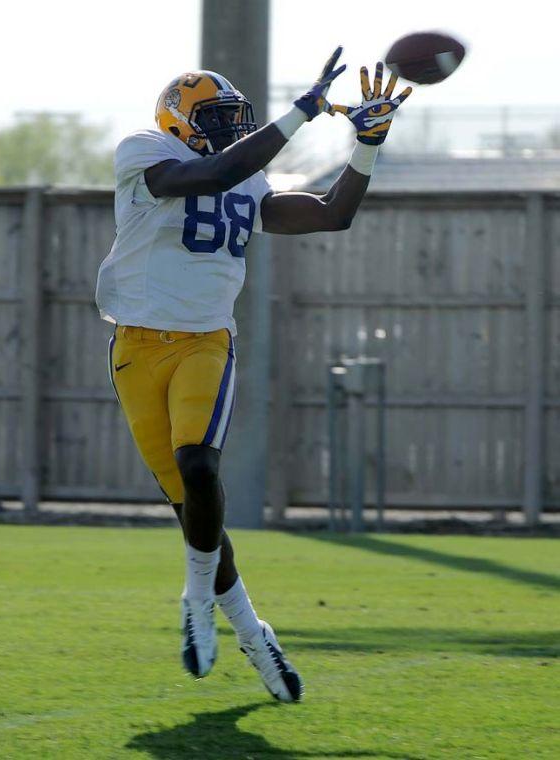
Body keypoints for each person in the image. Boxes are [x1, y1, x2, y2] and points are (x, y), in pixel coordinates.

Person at [95, 47, 411, 703]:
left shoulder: (247, 174)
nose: (227, 127)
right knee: (193, 511)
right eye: (212, 117)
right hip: (133, 351)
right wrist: (301, 111)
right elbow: (214, 174)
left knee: (201, 469)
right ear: (176, 121)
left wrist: (367, 146)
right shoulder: (142, 151)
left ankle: (193, 597)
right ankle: (252, 631)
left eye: (233, 117)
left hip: (204, 345)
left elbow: (331, 212)